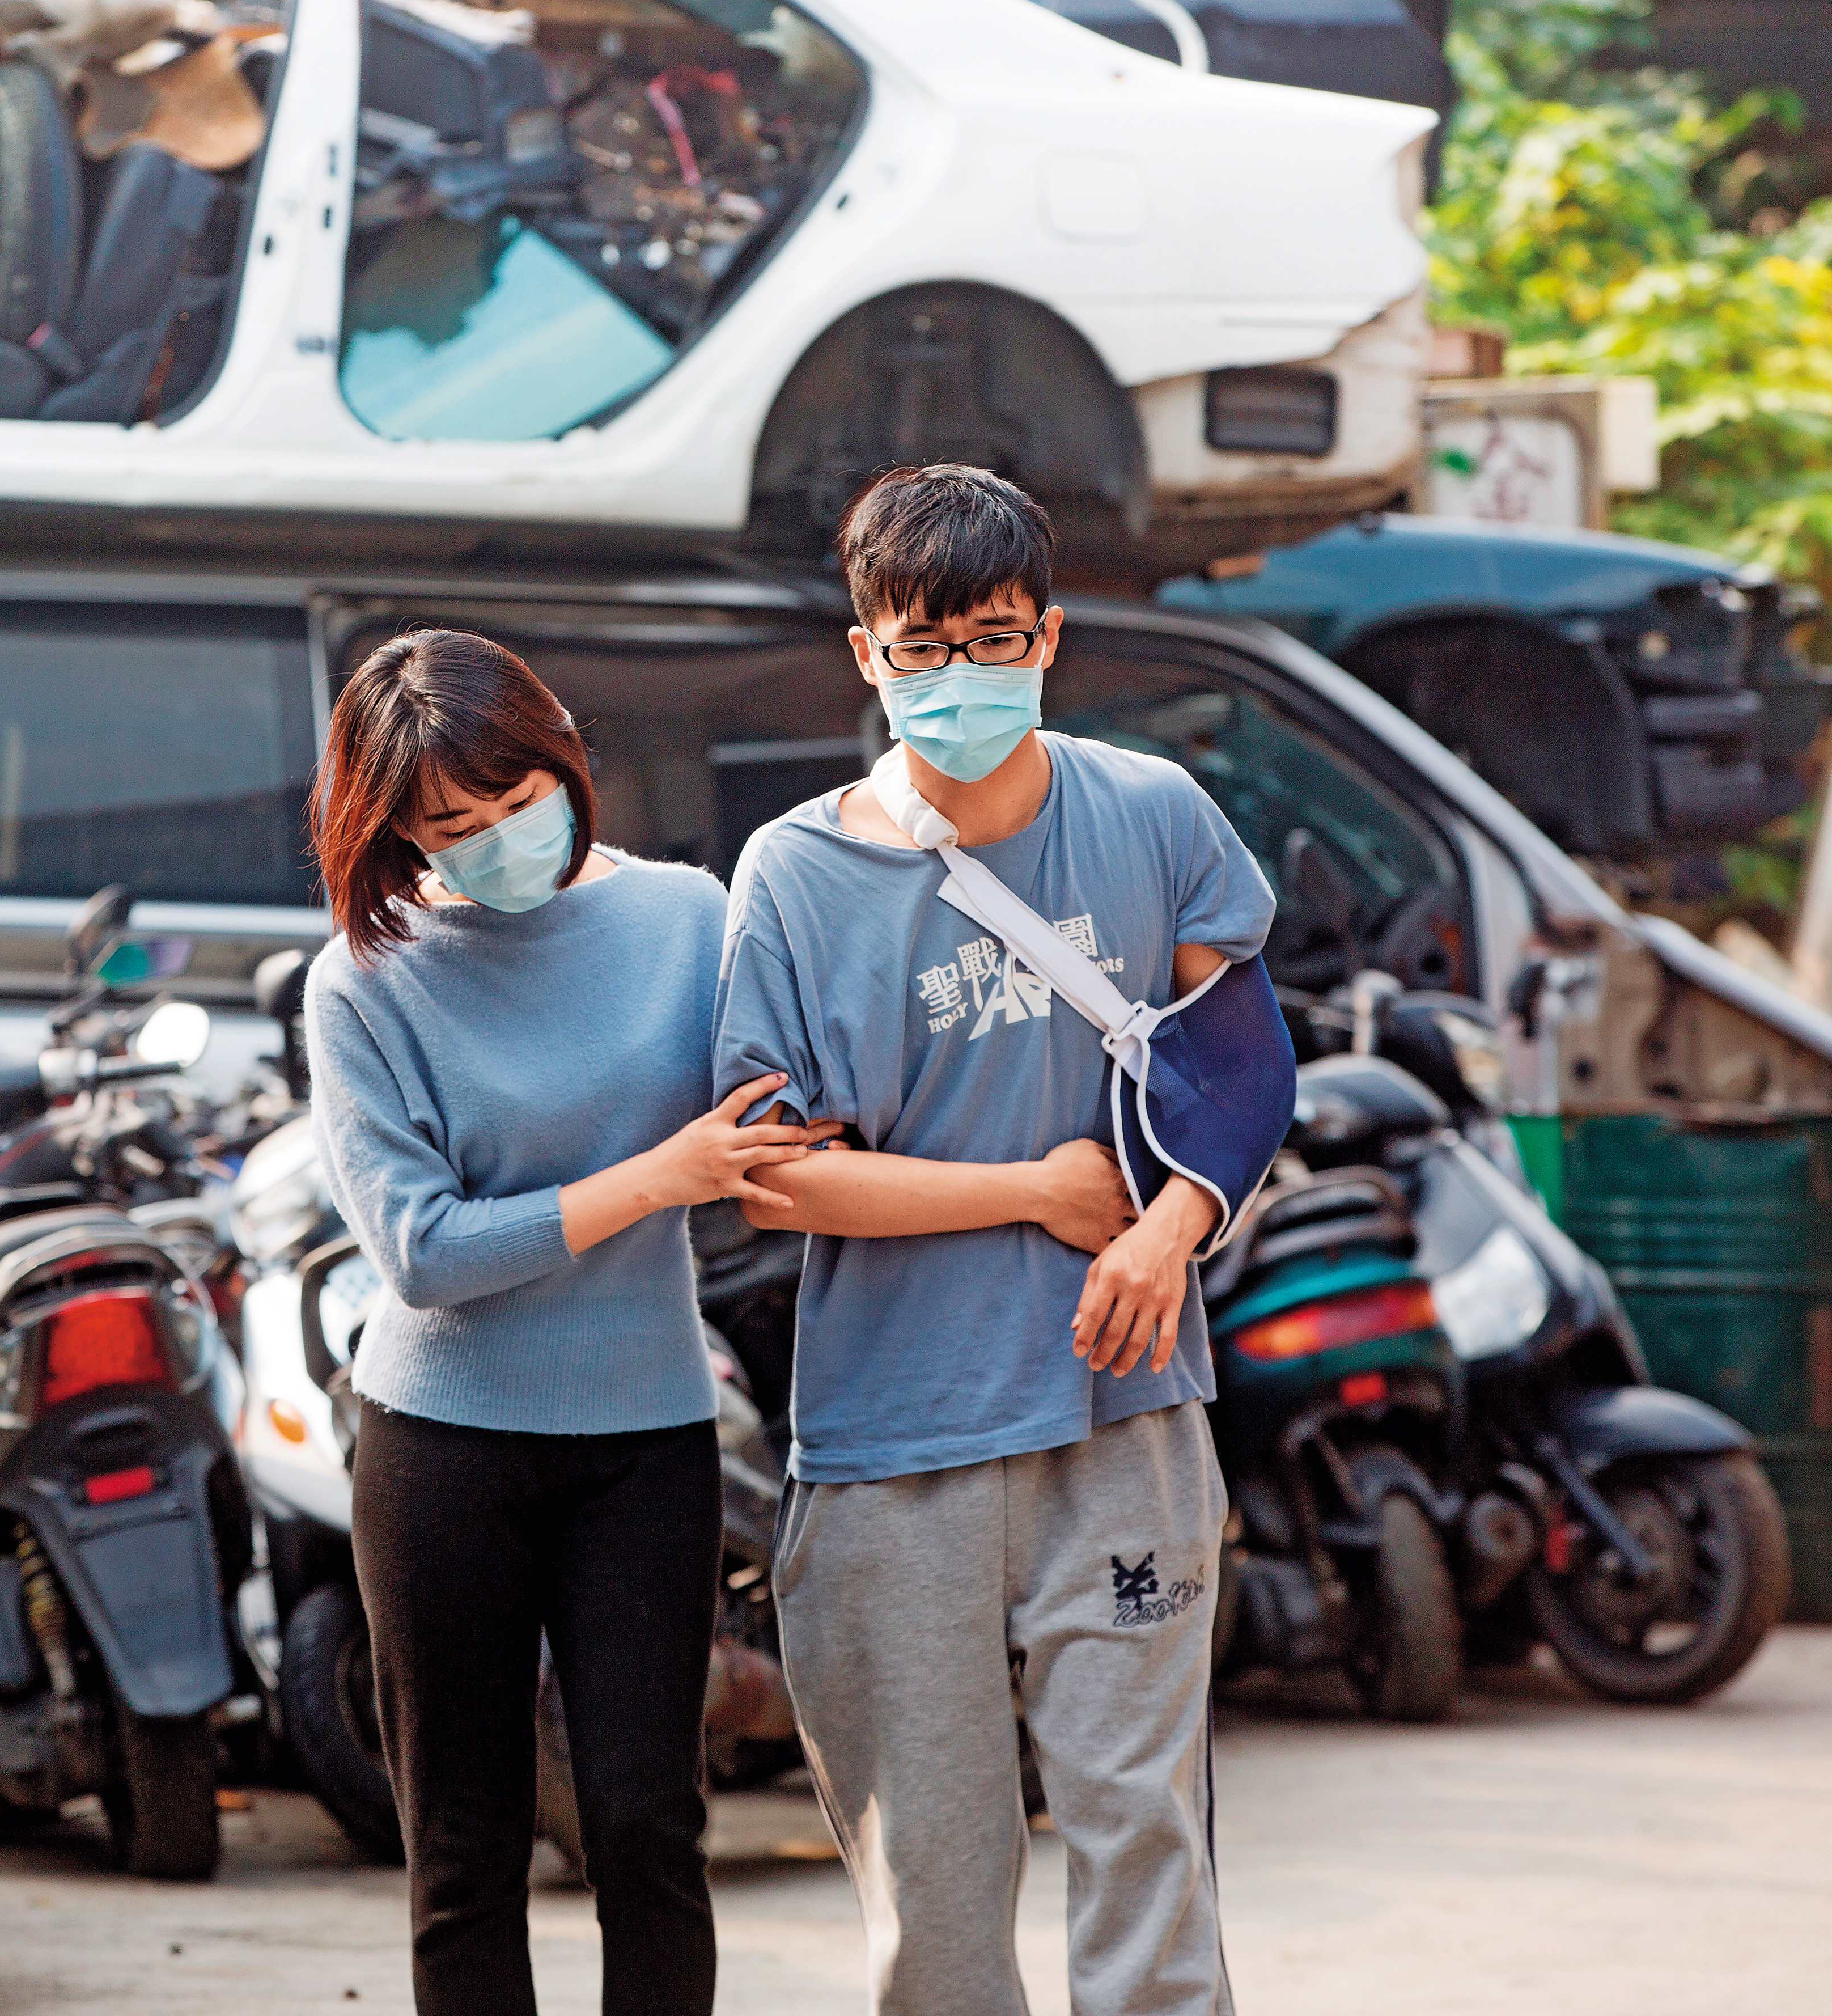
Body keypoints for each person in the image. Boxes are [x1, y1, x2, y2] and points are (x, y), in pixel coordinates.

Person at [711, 464, 1275, 2016]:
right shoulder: (797, 876)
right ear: (866, 654)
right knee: (938, 1907)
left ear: (1051, 636)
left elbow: (1238, 1060)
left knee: (1148, 1851)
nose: (961, 675)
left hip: (1127, 1418)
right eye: (923, 646)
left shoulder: (1153, 814)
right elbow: (776, 1181)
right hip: (898, 1440)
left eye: (996, 637)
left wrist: (1172, 1222)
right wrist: (1036, 1191)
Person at [302, 628, 834, 2016]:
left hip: (645, 1435)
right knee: (463, 1856)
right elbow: (422, 1254)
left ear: (563, 762)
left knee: (649, 1833)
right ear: (388, 833)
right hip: (441, 1445)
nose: (492, 842)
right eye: (449, 828)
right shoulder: (364, 983)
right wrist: (657, 1176)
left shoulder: (690, 920)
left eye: (515, 802)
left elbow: (789, 1109)